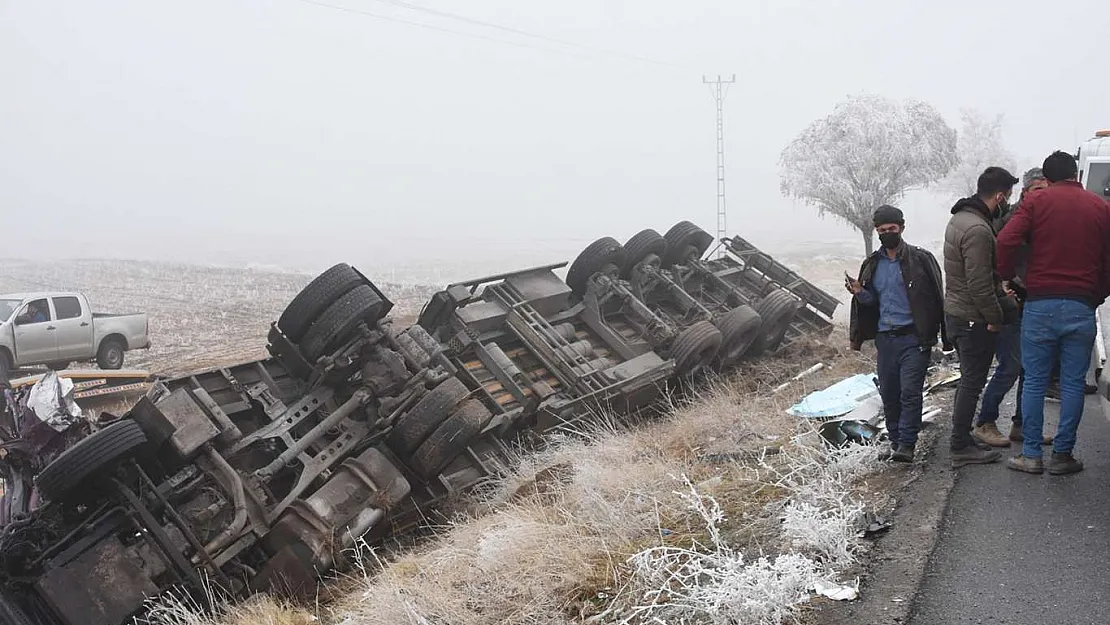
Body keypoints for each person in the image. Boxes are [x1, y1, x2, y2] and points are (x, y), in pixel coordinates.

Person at [997, 150, 1110, 475]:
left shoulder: (1036, 203)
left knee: (1034, 380)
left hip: (1040, 304)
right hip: (1080, 306)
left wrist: (1011, 276)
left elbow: (1006, 240)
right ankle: (1063, 456)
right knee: (1073, 383)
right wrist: (1097, 292)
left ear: (1046, 179)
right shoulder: (1099, 207)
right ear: (1075, 174)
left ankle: (1031, 455)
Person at [848, 205, 946, 463]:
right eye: (882, 230)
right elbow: (871, 303)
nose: (887, 234)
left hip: (914, 338)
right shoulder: (872, 265)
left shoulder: (921, 260)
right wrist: (860, 292)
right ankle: (894, 441)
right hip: (886, 339)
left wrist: (939, 335)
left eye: (891, 229)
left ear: (902, 227)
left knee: (910, 392)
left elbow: (937, 298)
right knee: (890, 393)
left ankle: (907, 444)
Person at [943, 166, 1021, 467]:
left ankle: (962, 436)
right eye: (1008, 197)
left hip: (959, 314)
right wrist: (995, 316)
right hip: (973, 318)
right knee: (972, 383)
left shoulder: (961, 219)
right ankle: (960, 444)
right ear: (1000, 195)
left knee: (968, 381)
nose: (1007, 203)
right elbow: (979, 282)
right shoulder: (978, 229)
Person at [973, 168, 1052, 447]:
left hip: (1037, 302)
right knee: (1011, 365)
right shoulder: (1010, 219)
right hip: (1012, 304)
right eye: (1037, 191)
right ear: (1025, 193)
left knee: (1032, 369)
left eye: (1047, 191)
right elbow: (992, 257)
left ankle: (1022, 425)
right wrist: (1005, 284)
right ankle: (985, 421)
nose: (1043, 197)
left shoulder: (1051, 220)